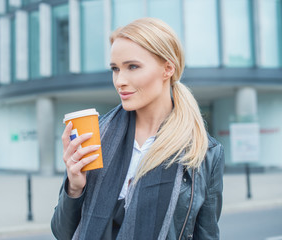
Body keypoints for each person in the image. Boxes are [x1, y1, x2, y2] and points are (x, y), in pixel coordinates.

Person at [51, 17, 225, 240]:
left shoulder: (205, 152)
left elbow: (207, 235)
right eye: (115, 69)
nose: (120, 80)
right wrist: (74, 187)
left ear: (168, 68)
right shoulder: (97, 136)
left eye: (132, 66)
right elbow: (61, 232)